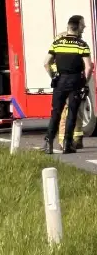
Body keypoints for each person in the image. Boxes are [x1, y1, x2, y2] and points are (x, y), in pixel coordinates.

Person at [44, 15, 93, 154]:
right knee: (72, 113)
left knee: (56, 113)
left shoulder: (57, 43)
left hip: (60, 81)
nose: (84, 27)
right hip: (76, 81)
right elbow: (88, 67)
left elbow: (46, 63)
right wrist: (85, 83)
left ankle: (48, 144)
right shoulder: (81, 44)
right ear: (77, 27)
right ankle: (67, 145)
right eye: (83, 25)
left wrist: (54, 76)